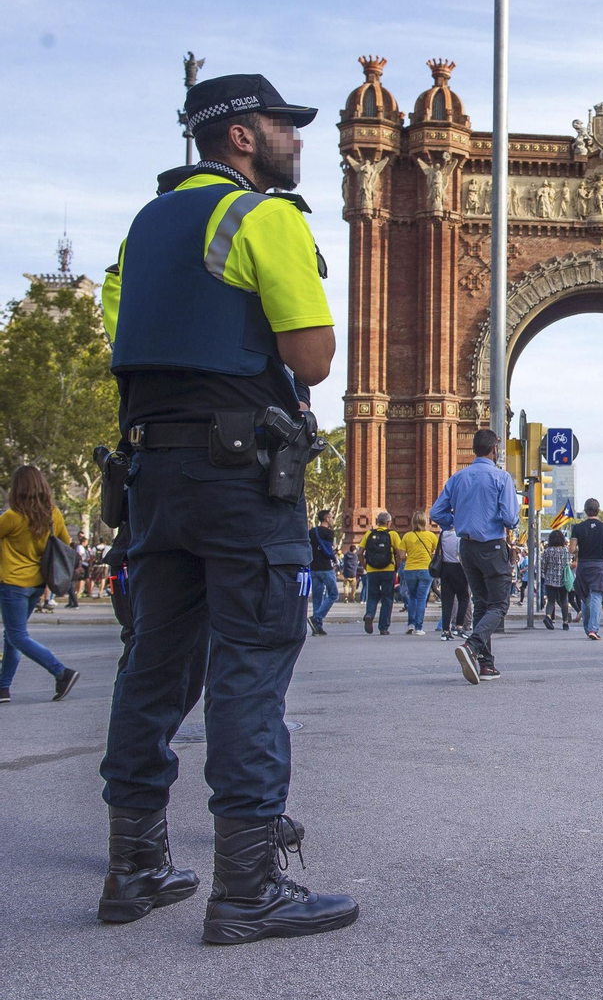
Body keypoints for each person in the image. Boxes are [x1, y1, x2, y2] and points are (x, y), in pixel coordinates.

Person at [96, 73, 356, 942]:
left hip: (151, 477)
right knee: (249, 666)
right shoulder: (263, 217)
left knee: (154, 666)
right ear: (241, 135)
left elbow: (129, 339)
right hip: (240, 478)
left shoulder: (142, 228)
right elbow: (312, 359)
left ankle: (133, 868)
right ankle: (248, 887)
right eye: (284, 124)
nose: (296, 138)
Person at [429, 428, 520, 685]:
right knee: (499, 605)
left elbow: (436, 513)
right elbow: (510, 518)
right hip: (492, 547)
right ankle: (472, 645)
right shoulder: (502, 478)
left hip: (466, 548)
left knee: (480, 603)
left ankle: (486, 664)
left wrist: (456, 522)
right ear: (494, 450)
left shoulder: (458, 478)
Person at [0, 466, 80, 704]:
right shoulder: (53, 515)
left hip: (12, 583)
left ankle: (61, 672)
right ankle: (3, 688)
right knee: (12, 635)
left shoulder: (12, 517)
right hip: (38, 583)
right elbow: (65, 543)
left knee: (17, 635)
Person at [570, 499, 603, 641]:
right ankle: (593, 629)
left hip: (583, 565)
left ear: (585, 511)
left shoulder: (577, 528)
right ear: (598, 510)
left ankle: (587, 628)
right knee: (596, 595)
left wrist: (580, 549)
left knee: (585, 596)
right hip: (599, 565)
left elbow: (571, 549)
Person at [360, 512, 402, 636]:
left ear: (377, 522)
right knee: (387, 598)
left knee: (372, 596)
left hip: (372, 570)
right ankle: (383, 627)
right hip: (388, 570)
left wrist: (365, 565)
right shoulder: (393, 534)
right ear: (388, 523)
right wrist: (397, 568)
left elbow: (359, 552)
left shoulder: (369, 534)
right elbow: (400, 554)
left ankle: (369, 614)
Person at [398, 512, 438, 636]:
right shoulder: (431, 536)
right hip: (426, 569)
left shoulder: (407, 536)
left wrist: (410, 557)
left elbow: (401, 555)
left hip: (410, 569)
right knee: (422, 598)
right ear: (424, 522)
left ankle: (410, 623)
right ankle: (418, 627)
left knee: (412, 597)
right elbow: (437, 552)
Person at [307, 509, 338, 636]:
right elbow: (329, 549)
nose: (332, 520)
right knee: (333, 594)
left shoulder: (311, 532)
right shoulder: (328, 533)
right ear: (326, 519)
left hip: (313, 567)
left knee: (317, 598)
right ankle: (317, 618)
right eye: (331, 517)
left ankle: (317, 628)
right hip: (326, 568)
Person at [436, 527, 470, 640]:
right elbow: (460, 555)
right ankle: (459, 626)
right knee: (464, 598)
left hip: (445, 567)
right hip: (458, 568)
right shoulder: (459, 536)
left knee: (447, 601)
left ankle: (445, 631)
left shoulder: (443, 534)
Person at [541, 528, 573, 630]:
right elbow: (568, 563)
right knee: (564, 600)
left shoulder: (547, 551)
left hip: (550, 578)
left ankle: (548, 616)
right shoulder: (565, 551)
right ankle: (565, 622)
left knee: (551, 600)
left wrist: (545, 574)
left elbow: (543, 565)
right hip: (563, 579)